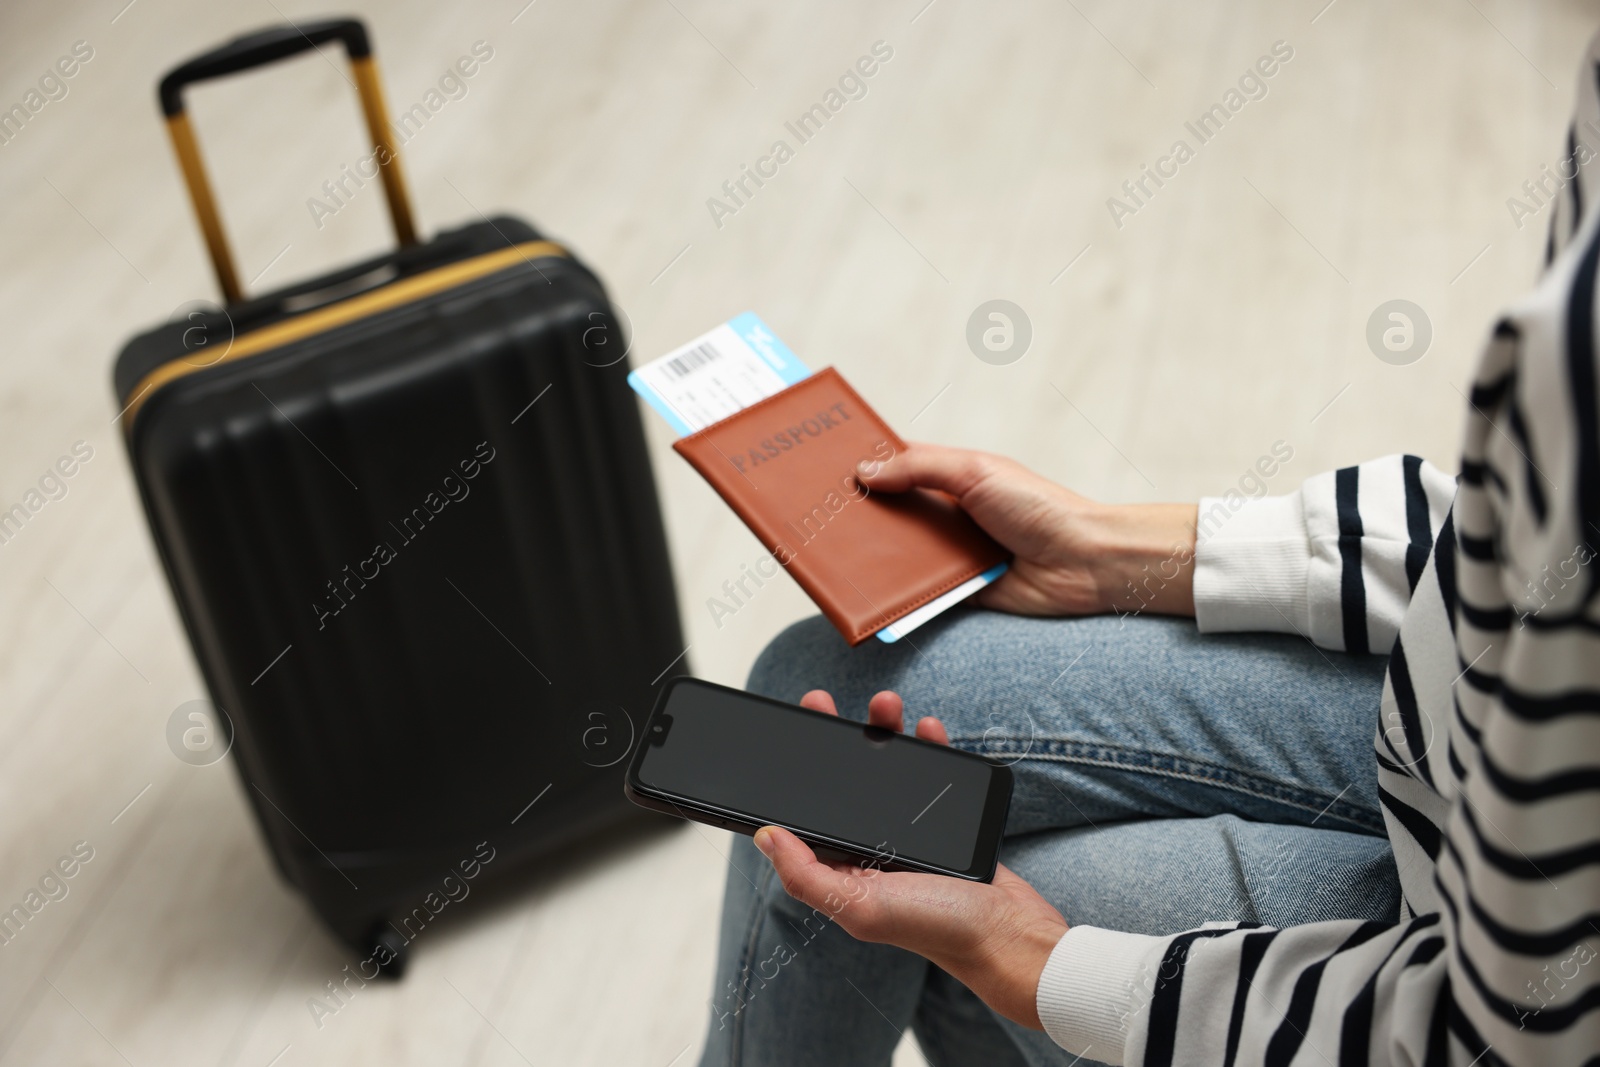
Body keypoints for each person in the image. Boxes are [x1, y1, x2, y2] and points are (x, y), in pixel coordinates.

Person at [695, 34, 1600, 1067]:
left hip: (1492, 949)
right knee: (814, 712)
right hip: (1453, 736)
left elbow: (1512, 1037)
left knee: (915, 861)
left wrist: (1049, 968)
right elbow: (1513, 543)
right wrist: (1123, 550)